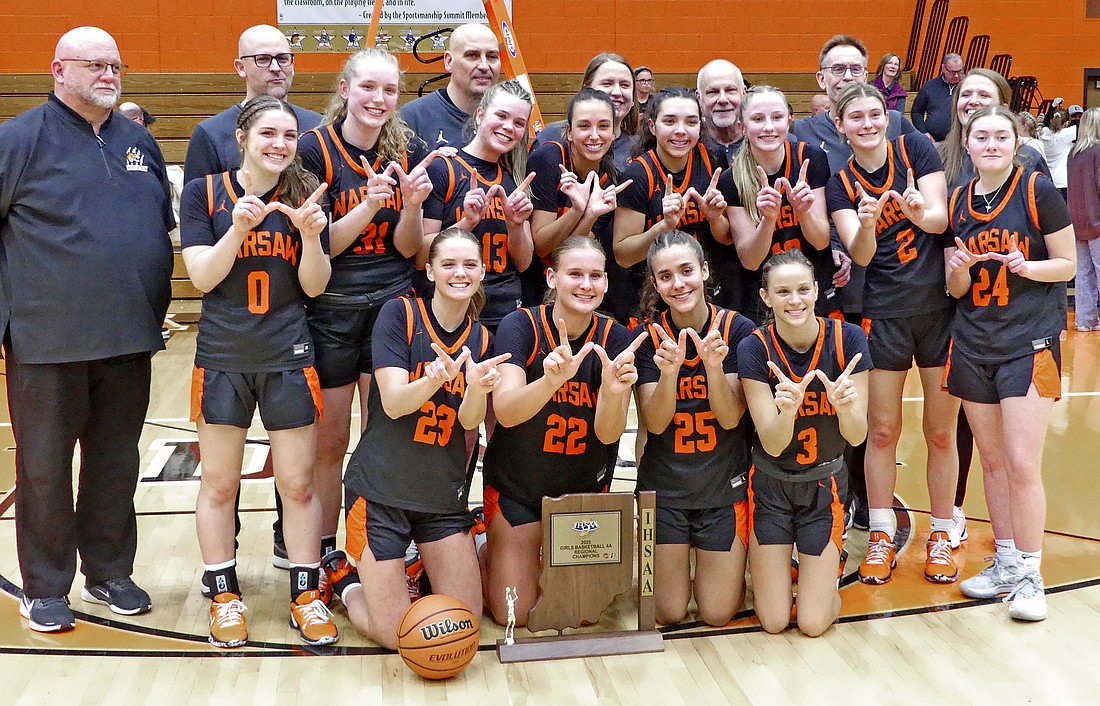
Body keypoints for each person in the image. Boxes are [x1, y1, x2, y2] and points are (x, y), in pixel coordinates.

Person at [0, 26, 174, 634]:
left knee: (113, 464)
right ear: (58, 70)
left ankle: (109, 573)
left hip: (129, 339)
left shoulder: (137, 142)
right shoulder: (18, 140)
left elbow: (156, 227)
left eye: (116, 66)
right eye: (95, 65)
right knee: (44, 468)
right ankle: (45, 587)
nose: (109, 75)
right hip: (46, 344)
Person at [180, 95, 336, 648]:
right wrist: (236, 230)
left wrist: (315, 236)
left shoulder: (305, 195)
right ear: (242, 137)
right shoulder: (205, 192)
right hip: (223, 356)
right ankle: (224, 593)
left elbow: (315, 286)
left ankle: (305, 593)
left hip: (288, 355)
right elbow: (200, 275)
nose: (280, 145)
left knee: (296, 483)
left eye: (290, 135)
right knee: (220, 484)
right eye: (268, 133)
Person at [297, 48, 439, 596]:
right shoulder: (313, 150)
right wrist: (368, 203)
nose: (379, 100)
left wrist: (406, 207)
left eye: (389, 91)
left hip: (394, 306)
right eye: (369, 88)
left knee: (387, 433)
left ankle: (386, 542)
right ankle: (328, 548)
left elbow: (411, 248)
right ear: (346, 88)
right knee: (331, 440)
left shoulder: (409, 148)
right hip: (332, 306)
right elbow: (322, 243)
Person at [325, 227, 509, 649]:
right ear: (429, 271)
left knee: (464, 627)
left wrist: (477, 391)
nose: (459, 273)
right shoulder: (399, 315)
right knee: (398, 637)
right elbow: (391, 403)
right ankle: (346, 582)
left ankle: (412, 572)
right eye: (448, 264)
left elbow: (469, 423)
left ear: (482, 272)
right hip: (381, 493)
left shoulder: (482, 339)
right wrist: (431, 381)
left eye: (469, 265)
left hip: (440, 499)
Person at [826, 83, 960, 586]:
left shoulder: (915, 148)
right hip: (882, 313)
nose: (866, 122)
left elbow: (940, 219)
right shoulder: (840, 182)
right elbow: (859, 256)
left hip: (938, 311)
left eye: (874, 113)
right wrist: (865, 224)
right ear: (840, 125)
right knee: (882, 432)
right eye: (855, 116)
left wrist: (914, 210)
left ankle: (943, 533)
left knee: (941, 432)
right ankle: (880, 533)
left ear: (887, 116)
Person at [945, 106, 1075, 621]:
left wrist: (1029, 266)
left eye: (1002, 135)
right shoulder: (957, 200)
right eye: (982, 136)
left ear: (1017, 140)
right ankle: (1003, 562)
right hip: (974, 340)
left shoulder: (1036, 189)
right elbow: (954, 288)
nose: (992, 143)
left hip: (1030, 340)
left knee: (1022, 463)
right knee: (993, 460)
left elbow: (1067, 264)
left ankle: (1031, 575)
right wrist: (957, 268)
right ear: (968, 142)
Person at [481, 236, 643, 626]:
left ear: (606, 283)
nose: (586, 285)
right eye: (575, 274)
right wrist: (550, 382)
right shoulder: (520, 325)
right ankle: (486, 544)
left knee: (583, 614)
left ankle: (538, 554)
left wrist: (614, 392)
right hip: (518, 488)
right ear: (552, 278)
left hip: (581, 496)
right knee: (514, 615)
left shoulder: (615, 338)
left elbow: (608, 435)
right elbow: (505, 412)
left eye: (595, 276)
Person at [738, 249, 871, 637]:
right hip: (770, 485)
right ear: (766, 298)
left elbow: (857, 435)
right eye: (782, 292)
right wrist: (788, 411)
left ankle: (825, 569)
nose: (793, 300)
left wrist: (845, 408)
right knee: (775, 621)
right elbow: (774, 443)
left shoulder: (849, 339)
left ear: (816, 290)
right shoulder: (754, 348)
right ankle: (798, 570)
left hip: (822, 485)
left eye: (802, 290)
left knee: (813, 624)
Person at [634, 230, 755, 626]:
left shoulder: (737, 330)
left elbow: (731, 417)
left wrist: (714, 368)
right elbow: (653, 422)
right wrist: (669, 374)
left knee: (718, 613)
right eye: (665, 276)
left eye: (686, 271)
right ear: (655, 283)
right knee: (667, 613)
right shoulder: (648, 337)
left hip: (722, 489)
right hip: (665, 490)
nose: (678, 283)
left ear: (704, 270)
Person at [423, 80, 536, 331]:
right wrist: (467, 223)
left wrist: (515, 226)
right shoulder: (444, 168)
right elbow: (421, 255)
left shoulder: (513, 179)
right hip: (456, 311)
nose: (509, 127)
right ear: (480, 115)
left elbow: (524, 262)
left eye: (518, 123)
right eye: (501, 116)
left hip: (506, 312)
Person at [615, 87, 736, 316]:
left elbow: (728, 239)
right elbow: (623, 254)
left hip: (706, 292)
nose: (681, 131)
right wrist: (664, 226)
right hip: (654, 299)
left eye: (690, 122)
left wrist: (715, 218)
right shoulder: (638, 174)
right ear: (652, 126)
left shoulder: (713, 160)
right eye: (670, 121)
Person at [724, 85, 834, 323]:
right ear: (742, 128)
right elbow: (751, 261)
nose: (768, 127)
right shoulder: (731, 178)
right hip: (764, 300)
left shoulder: (811, 158)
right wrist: (768, 219)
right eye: (757, 119)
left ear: (789, 121)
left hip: (813, 290)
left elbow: (821, 240)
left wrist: (803, 213)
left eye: (777, 117)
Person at [528, 88, 633, 321]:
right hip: (532, 283)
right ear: (569, 131)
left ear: (614, 132)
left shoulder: (610, 180)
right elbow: (541, 246)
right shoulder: (549, 159)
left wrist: (590, 214)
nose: (594, 135)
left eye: (604, 126)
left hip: (568, 285)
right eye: (584, 126)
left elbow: (567, 251)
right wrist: (576, 210)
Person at [184, 25, 322, 185]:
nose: (276, 68)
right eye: (263, 59)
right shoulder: (211, 134)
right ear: (241, 68)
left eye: (283, 58)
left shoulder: (319, 126)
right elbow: (197, 203)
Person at [940, 69, 1049, 189]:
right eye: (966, 95)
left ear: (1003, 108)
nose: (973, 101)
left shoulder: (1028, 157)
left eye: (984, 95)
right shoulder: (937, 156)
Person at [399, 23, 501, 150]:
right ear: (448, 61)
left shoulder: (508, 120)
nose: (484, 66)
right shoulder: (414, 118)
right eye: (472, 56)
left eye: (492, 57)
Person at [533, 53, 640, 171]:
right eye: (607, 83)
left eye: (625, 85)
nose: (617, 92)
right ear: (587, 89)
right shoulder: (551, 137)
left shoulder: (639, 147)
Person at [1068, 108, 1100, 332]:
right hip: (1098, 221)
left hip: (1077, 222)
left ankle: (1084, 320)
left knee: (1084, 274)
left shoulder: (1073, 153)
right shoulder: (1099, 151)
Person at [696, 59, 747, 165]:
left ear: (744, 93)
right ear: (699, 98)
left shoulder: (768, 143)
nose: (723, 99)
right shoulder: (687, 146)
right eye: (712, 92)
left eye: (730, 90)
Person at [911, 53, 964, 142]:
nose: (956, 76)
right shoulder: (929, 86)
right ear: (943, 68)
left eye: (960, 71)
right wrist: (924, 133)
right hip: (934, 142)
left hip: (961, 141)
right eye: (952, 72)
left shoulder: (968, 87)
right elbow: (916, 112)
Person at [1039, 104, 1077, 201]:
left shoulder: (1043, 132)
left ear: (1052, 120)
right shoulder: (1065, 135)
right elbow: (1082, 124)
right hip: (1062, 182)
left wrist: (1052, 107)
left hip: (1046, 180)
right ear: (1066, 123)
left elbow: (1046, 121)